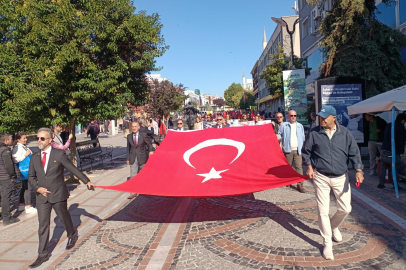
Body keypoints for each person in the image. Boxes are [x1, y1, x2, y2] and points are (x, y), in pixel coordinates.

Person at [302, 105, 364, 261]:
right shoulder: (314, 133)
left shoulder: (345, 133)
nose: (321, 119)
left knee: (346, 208)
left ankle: (334, 225)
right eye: (320, 117)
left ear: (334, 118)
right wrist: (309, 167)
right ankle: (327, 243)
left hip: (341, 177)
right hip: (321, 176)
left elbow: (354, 153)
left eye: (325, 117)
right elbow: (306, 151)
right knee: (323, 210)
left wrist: (358, 170)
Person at [27, 128, 95, 268]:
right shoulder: (34, 157)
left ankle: (71, 234)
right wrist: (37, 188)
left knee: (64, 217)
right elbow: (31, 177)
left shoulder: (59, 153)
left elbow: (72, 168)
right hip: (42, 196)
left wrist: (86, 181)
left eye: (42, 138)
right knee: (43, 225)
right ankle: (43, 254)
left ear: (50, 139)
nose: (39, 141)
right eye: (38, 138)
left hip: (58, 193)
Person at [277, 110, 306, 193]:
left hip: (297, 150)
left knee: (299, 167)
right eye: (291, 115)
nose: (293, 117)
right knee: (288, 167)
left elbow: (303, 137)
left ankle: (300, 185)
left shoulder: (300, 126)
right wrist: (276, 137)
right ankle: (288, 181)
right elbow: (280, 134)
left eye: (295, 115)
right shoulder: (284, 125)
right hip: (288, 149)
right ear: (288, 116)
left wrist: (301, 146)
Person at [126, 122, 154, 199]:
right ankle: (133, 192)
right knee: (133, 175)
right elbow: (128, 148)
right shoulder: (129, 136)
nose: (134, 128)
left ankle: (148, 190)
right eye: (133, 126)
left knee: (146, 174)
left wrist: (151, 151)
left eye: (135, 126)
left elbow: (149, 144)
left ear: (138, 127)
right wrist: (128, 158)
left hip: (142, 157)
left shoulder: (143, 134)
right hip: (133, 157)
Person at [378, 113, 406, 189]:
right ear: (402, 120)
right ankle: (395, 185)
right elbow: (401, 141)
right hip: (393, 150)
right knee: (395, 168)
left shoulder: (389, 124)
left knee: (383, 167)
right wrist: (401, 152)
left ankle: (381, 183)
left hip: (384, 149)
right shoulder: (400, 127)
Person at [12, 132, 37, 214]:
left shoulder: (22, 147)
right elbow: (16, 159)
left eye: (26, 138)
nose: (26, 139)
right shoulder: (17, 148)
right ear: (18, 139)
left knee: (24, 187)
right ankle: (28, 206)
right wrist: (25, 155)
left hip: (26, 170)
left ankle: (21, 204)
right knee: (28, 188)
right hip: (25, 170)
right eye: (24, 138)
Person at [0, 133, 20, 226]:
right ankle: (6, 218)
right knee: (6, 198)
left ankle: (2, 215)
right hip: (5, 177)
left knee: (2, 197)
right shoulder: (5, 150)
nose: (12, 140)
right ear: (6, 141)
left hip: (1, 177)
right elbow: (9, 165)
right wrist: (12, 176)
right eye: (11, 139)